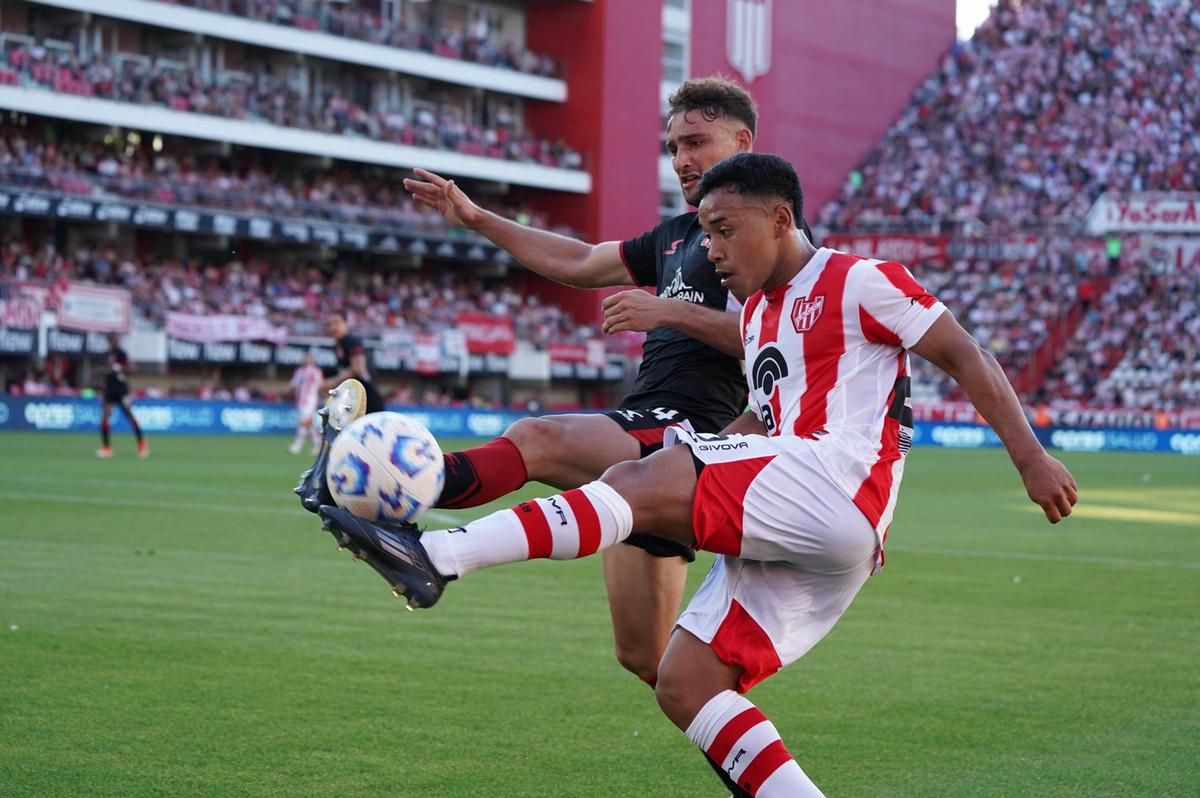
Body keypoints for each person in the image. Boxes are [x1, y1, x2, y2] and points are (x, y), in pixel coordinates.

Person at [318, 153, 1078, 796]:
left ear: (780, 220)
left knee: (636, 482)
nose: (710, 248)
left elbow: (964, 353)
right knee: (685, 683)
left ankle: (437, 557)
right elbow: (761, 421)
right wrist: (708, 460)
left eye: (724, 230)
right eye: (706, 230)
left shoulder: (862, 279)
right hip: (815, 519)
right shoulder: (755, 318)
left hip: (842, 482)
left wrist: (1031, 456)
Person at [401, 75, 781, 797]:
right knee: (653, 664)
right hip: (651, 437)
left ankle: (412, 493)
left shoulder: (764, 232)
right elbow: (577, 262)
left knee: (540, 437)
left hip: (694, 437)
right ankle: (764, 783)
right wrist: (475, 216)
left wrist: (669, 313)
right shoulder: (676, 235)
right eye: (673, 147)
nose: (681, 159)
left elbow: (788, 340)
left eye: (696, 142)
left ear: (743, 143)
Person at [97, 334, 147, 459]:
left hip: (122, 390)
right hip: (110, 390)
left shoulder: (122, 354)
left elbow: (132, 369)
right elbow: (106, 375)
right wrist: (102, 390)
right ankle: (106, 447)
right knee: (105, 416)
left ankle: (141, 444)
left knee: (129, 415)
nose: (112, 342)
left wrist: (120, 368)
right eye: (110, 340)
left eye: (114, 340)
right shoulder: (107, 355)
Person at [324, 311, 384, 414]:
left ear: (346, 323)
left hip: (367, 397)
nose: (333, 327)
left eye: (336, 322)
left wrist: (333, 381)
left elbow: (359, 369)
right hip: (354, 399)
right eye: (329, 324)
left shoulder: (353, 341)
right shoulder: (337, 346)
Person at [288, 351, 325, 455]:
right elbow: (294, 384)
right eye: (304, 358)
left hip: (310, 400)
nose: (305, 360)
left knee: (304, 422)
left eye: (308, 358)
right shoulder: (299, 371)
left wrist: (322, 397)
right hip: (300, 400)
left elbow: (320, 385)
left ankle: (297, 445)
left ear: (312, 359)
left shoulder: (316, 371)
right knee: (309, 423)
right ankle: (318, 445)